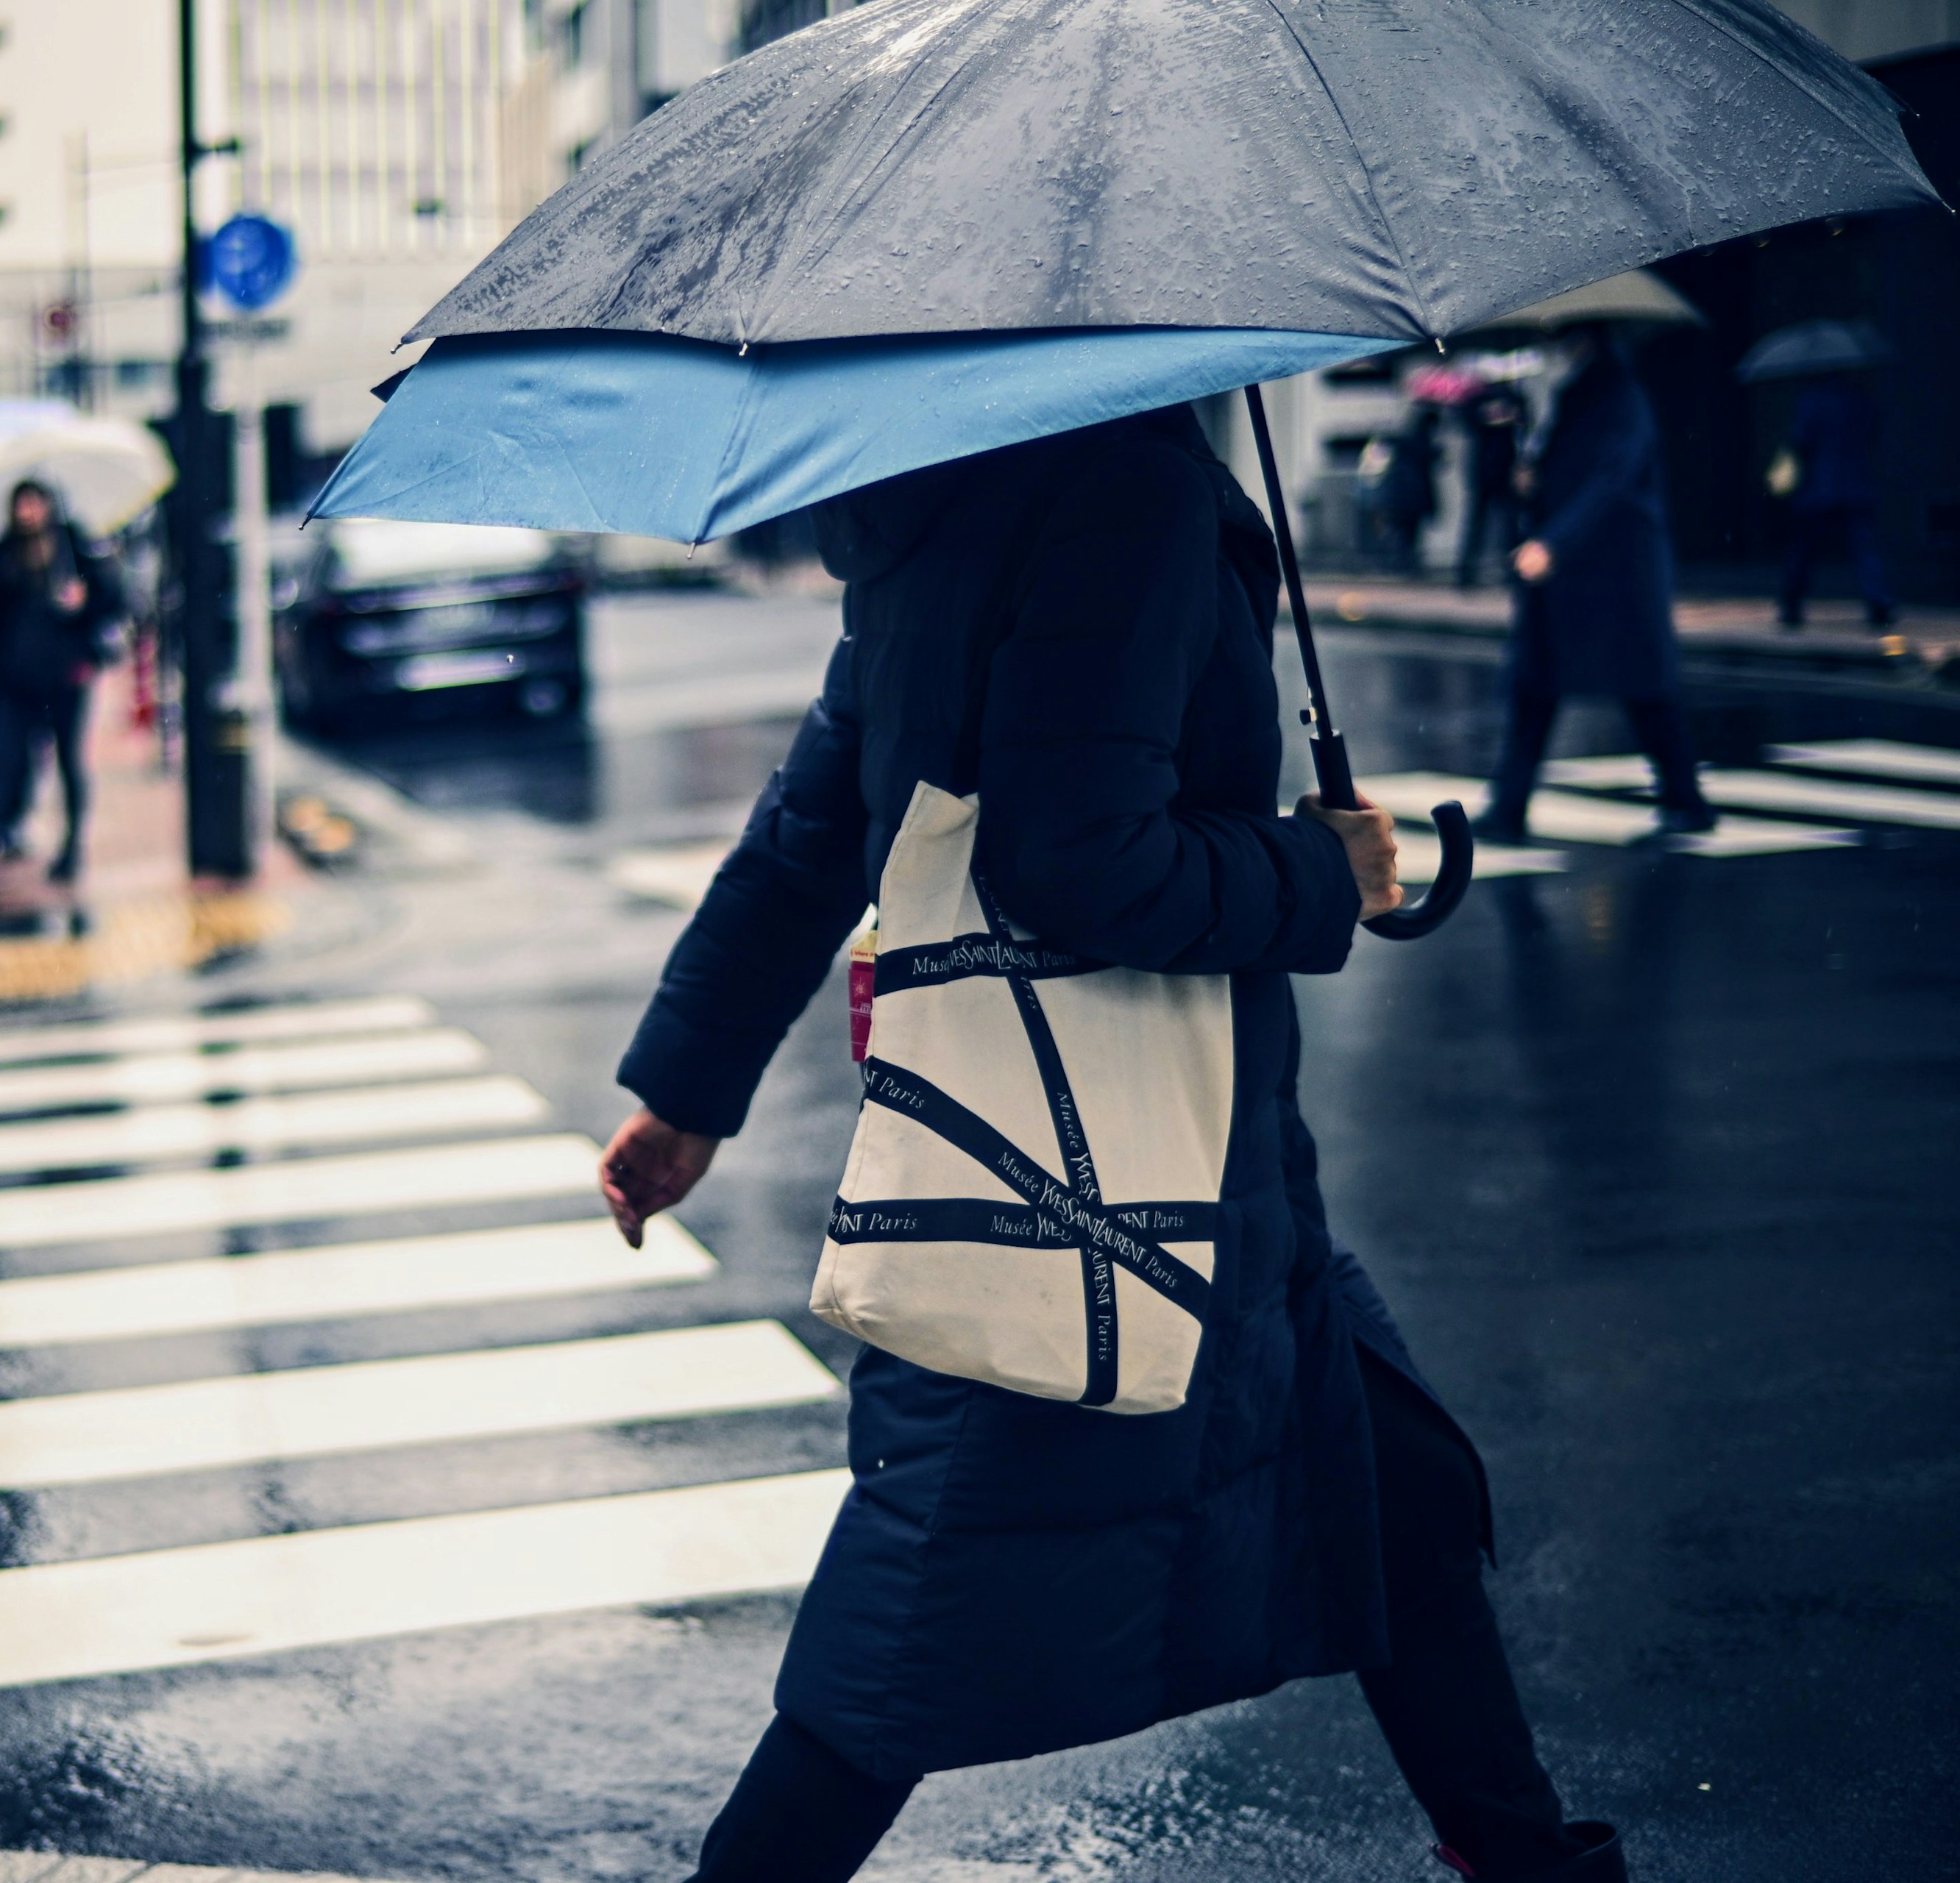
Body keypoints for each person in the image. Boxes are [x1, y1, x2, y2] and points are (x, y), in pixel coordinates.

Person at [598, 405, 1625, 1883]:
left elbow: (815, 823)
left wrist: (687, 1089)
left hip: (1184, 1159)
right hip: (1107, 1176)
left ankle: (1527, 1857)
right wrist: (1315, 867)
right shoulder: (1123, 490)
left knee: (1387, 1485)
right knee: (904, 1623)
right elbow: (1075, 859)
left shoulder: (932, 499)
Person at [1479, 326, 1713, 844]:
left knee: (1646, 689)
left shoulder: (1621, 394)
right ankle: (1508, 808)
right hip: (1576, 570)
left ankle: (1687, 802)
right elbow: (1575, 469)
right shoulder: (1581, 388)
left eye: (1563, 334)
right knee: (1534, 686)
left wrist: (1552, 543)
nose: (1554, 341)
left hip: (1614, 570)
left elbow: (1610, 479)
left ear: (1588, 333)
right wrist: (1531, 476)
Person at [0, 481, 124, 884]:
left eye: (35, 502)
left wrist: (84, 603)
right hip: (16, 679)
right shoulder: (3, 554)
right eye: (20, 503)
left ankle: (72, 845)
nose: (28, 512)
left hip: (65, 677)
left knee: (69, 761)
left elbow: (113, 599)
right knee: (3, 758)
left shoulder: (74, 546)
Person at [1773, 372, 1892, 629]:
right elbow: (1874, 434)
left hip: (1819, 487)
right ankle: (1879, 601)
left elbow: (1799, 440)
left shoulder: (1811, 400)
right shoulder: (1860, 399)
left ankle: (1791, 605)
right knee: (1864, 548)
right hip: (1856, 485)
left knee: (1804, 549)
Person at [1456, 380, 1529, 589]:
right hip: (1484, 469)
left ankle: (1513, 570)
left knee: (1510, 524)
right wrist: (1488, 416)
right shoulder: (1477, 396)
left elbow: (1525, 421)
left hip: (1506, 467)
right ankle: (1466, 573)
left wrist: (1512, 415)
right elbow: (1467, 420)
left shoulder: (1513, 395)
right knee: (1478, 522)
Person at [1374, 403, 1442, 575]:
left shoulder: (1405, 444)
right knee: (1407, 535)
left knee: (1402, 535)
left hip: (1398, 499)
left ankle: (1400, 564)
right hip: (1409, 500)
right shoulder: (1422, 449)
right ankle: (1402, 565)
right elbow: (1420, 481)